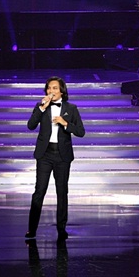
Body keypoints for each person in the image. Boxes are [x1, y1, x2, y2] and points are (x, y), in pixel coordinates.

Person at [26, 77, 85, 242]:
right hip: (45, 155)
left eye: (54, 88)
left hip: (62, 155)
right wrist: (41, 108)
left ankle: (61, 229)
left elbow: (81, 132)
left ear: (62, 91)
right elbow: (30, 125)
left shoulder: (71, 108)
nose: (51, 91)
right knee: (39, 191)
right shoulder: (41, 106)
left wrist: (65, 123)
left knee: (62, 192)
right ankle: (32, 229)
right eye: (49, 88)